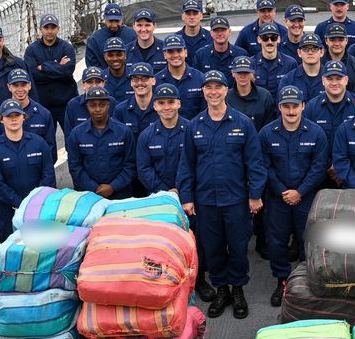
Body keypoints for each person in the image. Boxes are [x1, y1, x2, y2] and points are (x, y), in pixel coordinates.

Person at [178, 71, 267, 321]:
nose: (213, 92)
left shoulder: (242, 123)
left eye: (218, 87)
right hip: (206, 201)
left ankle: (237, 290)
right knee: (213, 248)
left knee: (238, 247)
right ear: (203, 91)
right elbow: (187, 165)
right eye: (209, 88)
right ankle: (222, 290)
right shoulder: (194, 126)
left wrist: (255, 195)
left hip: (237, 200)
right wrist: (187, 197)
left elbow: (255, 163)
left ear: (226, 90)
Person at [260, 85, 329, 305]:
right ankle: (282, 281)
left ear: (303, 106)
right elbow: (264, 166)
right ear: (279, 107)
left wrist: (300, 191)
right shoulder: (267, 133)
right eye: (286, 106)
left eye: (295, 106)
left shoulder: (316, 133)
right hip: (277, 198)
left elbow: (319, 167)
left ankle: (305, 280)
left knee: (307, 240)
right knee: (277, 243)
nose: (291, 111)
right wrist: (282, 191)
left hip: (306, 197)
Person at [0, 99, 56, 241]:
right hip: (10, 215)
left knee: (43, 253)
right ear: (1, 119)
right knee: (13, 257)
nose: (13, 119)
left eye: (16, 115)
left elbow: (48, 176)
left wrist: (34, 202)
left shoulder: (39, 143)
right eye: (8, 116)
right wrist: (22, 204)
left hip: (40, 211)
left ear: (24, 117)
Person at [66, 87, 136, 200]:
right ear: (87, 107)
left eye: (102, 105)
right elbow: (75, 166)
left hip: (121, 194)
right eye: (93, 105)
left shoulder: (124, 132)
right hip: (88, 195)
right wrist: (94, 188)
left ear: (108, 105)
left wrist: (113, 187)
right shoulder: (76, 134)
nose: (97, 109)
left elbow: (131, 165)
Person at [23, 15, 78, 130]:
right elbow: (33, 75)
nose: (49, 31)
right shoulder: (31, 50)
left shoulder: (67, 48)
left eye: (53, 27)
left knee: (73, 137)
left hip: (66, 103)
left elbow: (67, 71)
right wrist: (58, 66)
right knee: (47, 143)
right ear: (40, 29)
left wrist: (43, 67)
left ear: (58, 29)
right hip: (43, 105)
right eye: (46, 27)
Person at [305, 61, 355, 178]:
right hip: (319, 173)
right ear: (323, 80)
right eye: (330, 79)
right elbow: (307, 142)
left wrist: (341, 167)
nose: (334, 83)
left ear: (346, 80)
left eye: (338, 78)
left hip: (352, 172)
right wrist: (329, 165)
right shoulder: (312, 107)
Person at [0, 69, 58, 161]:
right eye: (15, 85)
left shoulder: (44, 114)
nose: (20, 89)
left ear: (30, 85)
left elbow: (51, 151)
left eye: (23, 85)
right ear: (9, 87)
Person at [136, 83, 188, 195]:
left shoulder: (191, 131)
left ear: (179, 103)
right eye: (161, 103)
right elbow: (144, 169)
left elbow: (197, 164)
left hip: (188, 194)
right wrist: (165, 190)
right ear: (154, 106)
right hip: (157, 195)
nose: (166, 107)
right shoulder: (146, 136)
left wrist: (183, 189)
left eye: (171, 102)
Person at [156, 34, 206, 120]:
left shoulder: (200, 79)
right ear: (164, 54)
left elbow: (205, 111)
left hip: (193, 130)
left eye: (179, 51)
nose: (175, 55)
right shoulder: (156, 81)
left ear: (185, 52)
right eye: (171, 51)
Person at [227, 56, 276, 130]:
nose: (243, 76)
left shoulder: (265, 97)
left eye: (246, 72)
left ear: (252, 73)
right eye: (239, 72)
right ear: (233, 73)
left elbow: (269, 127)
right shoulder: (226, 97)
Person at [193, 16, 248, 82]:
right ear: (211, 33)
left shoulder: (241, 55)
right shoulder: (201, 55)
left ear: (229, 32)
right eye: (216, 30)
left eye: (223, 30)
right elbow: (196, 81)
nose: (220, 34)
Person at [113, 63, 158, 140]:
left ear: (153, 81)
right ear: (131, 82)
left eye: (144, 79)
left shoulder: (162, 109)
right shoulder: (120, 110)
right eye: (135, 79)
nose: (140, 83)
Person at [251, 23, 298, 94]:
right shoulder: (251, 64)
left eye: (273, 38)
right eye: (265, 38)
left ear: (279, 39)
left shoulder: (290, 64)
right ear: (259, 39)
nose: (269, 42)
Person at [279, 33, 326, 101]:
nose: (310, 52)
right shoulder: (288, 80)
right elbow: (282, 108)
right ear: (299, 52)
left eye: (315, 48)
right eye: (305, 49)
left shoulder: (330, 78)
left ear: (322, 52)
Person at [323, 23, 355, 87]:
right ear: (326, 41)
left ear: (346, 40)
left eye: (341, 40)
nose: (337, 44)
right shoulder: (318, 63)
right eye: (332, 40)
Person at [85, 3, 129, 69]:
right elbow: (92, 67)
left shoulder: (132, 35)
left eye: (117, 21)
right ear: (104, 18)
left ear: (122, 18)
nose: (114, 25)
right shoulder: (93, 40)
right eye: (110, 21)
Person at [66, 67, 106, 135]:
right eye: (89, 82)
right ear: (83, 85)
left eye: (98, 82)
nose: (94, 86)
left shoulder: (112, 103)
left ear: (103, 84)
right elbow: (69, 135)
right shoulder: (73, 105)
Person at [125, 8, 166, 76]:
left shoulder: (165, 49)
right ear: (134, 26)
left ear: (154, 26)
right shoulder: (126, 52)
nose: (143, 29)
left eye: (147, 25)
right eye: (139, 25)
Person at [101, 37, 133, 103]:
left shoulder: (135, 77)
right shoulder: (100, 78)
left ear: (125, 55)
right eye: (110, 55)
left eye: (119, 55)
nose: (115, 58)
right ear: (105, 57)